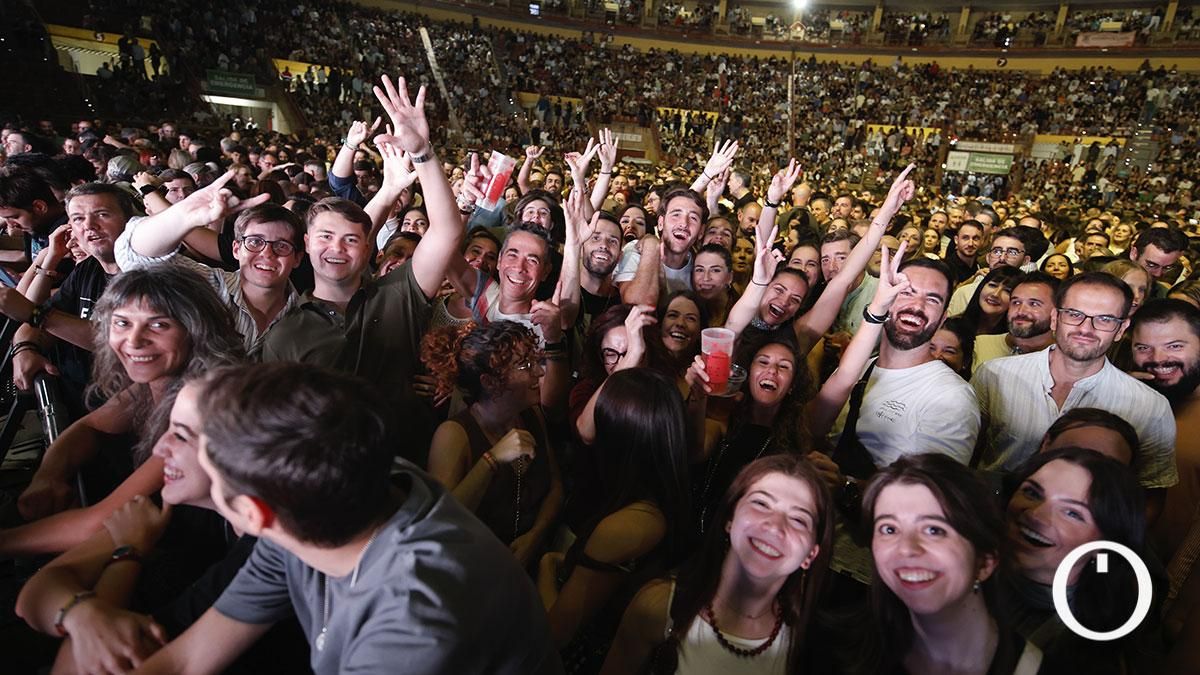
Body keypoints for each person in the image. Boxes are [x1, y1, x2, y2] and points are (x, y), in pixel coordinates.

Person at [133, 362, 560, 674]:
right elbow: (186, 660)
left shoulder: (412, 623)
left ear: (252, 514)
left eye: (193, 444)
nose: (158, 450)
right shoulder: (322, 497)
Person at [14, 376, 308, 675]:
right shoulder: (177, 504)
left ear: (239, 453)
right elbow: (33, 595)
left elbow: (76, 668)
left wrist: (126, 556)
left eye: (180, 435)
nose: (159, 448)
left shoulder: (262, 556)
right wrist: (82, 616)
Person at [7, 266, 244, 556]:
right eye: (122, 323)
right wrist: (49, 476)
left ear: (197, 331)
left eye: (159, 325)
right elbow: (90, 427)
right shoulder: (152, 384)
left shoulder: (205, 403)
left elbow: (96, 523)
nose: (133, 340)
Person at [600, 455, 834, 675]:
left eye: (798, 520)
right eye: (761, 503)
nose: (775, 526)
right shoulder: (657, 608)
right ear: (730, 518)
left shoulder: (806, 644)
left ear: (811, 554)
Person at [974, 272, 1177, 512]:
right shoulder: (995, 375)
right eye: (1074, 314)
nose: (1085, 328)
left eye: (1104, 319)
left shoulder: (1150, 407)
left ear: (1121, 328)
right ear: (1055, 318)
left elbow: (1150, 495)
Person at [540, 368, 691, 669]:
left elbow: (555, 633)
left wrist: (546, 565)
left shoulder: (625, 528)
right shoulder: (665, 494)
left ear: (618, 438)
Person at [857, 453, 1043, 673]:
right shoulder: (842, 651)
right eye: (889, 529)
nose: (906, 548)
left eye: (934, 530)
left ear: (985, 562)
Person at [1003, 447, 1162, 672]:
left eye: (1072, 513)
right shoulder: (967, 564)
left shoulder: (1088, 651)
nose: (1035, 514)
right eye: (1032, 493)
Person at [423, 321, 563, 567]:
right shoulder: (453, 435)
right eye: (525, 365)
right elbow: (440, 523)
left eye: (536, 361)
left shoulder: (531, 414)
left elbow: (555, 485)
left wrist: (534, 536)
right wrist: (492, 460)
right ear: (489, 382)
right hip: (477, 568)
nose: (539, 373)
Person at [116, 173, 301, 356]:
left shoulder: (304, 313)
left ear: (298, 258)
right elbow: (135, 257)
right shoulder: (206, 285)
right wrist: (184, 216)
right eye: (254, 242)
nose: (267, 253)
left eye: (281, 246)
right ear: (236, 249)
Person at [972, 272, 1060, 373]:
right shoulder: (979, 345)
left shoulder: (1065, 358)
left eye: (1034, 304)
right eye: (1016, 302)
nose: (1021, 312)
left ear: (1057, 312)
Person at [954, 265, 1023, 336]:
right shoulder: (954, 326)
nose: (995, 294)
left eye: (1007, 291)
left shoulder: (1015, 337)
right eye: (993, 285)